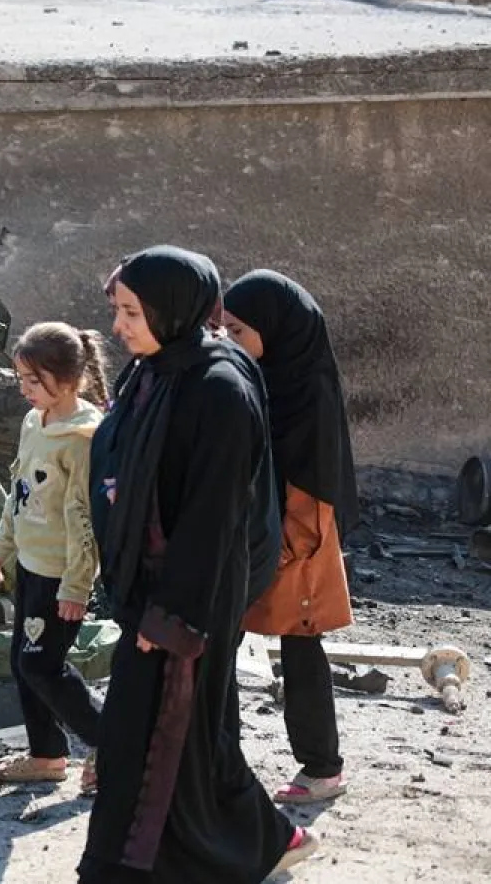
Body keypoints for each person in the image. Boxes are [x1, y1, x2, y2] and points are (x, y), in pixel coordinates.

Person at [78, 246, 316, 883]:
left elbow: (215, 518)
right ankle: (272, 841)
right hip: (147, 591)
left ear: (172, 308)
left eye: (131, 312)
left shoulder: (219, 388)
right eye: (117, 310)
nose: (117, 326)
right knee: (181, 742)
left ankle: (120, 868)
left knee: (158, 737)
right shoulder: (153, 371)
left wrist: (171, 616)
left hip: (187, 599)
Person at [223, 270, 357, 804]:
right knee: (219, 643)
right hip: (260, 535)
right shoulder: (267, 377)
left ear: (273, 327)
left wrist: (281, 546)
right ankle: (214, 759)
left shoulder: (308, 394)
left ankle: (322, 769)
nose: (229, 340)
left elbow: (313, 481)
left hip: (295, 540)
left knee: (300, 645)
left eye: (238, 330)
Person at [0, 322, 108, 795]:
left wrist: (77, 586)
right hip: (30, 567)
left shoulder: (84, 438)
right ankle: (46, 755)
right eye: (21, 378)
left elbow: (85, 520)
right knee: (22, 662)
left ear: (68, 379)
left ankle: (110, 744)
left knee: (42, 664)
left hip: (60, 576)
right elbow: (18, 491)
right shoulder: (34, 422)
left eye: (33, 380)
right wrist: (2, 545)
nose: (24, 389)